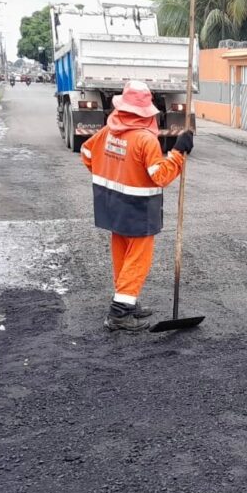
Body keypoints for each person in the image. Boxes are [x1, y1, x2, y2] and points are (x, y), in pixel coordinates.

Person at [81, 80, 194, 332]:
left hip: (111, 205)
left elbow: (87, 154)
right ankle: (119, 313)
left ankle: (127, 302)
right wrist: (177, 153)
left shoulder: (108, 132)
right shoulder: (145, 140)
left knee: (122, 255)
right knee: (137, 260)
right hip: (138, 207)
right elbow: (161, 176)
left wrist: (112, 172)